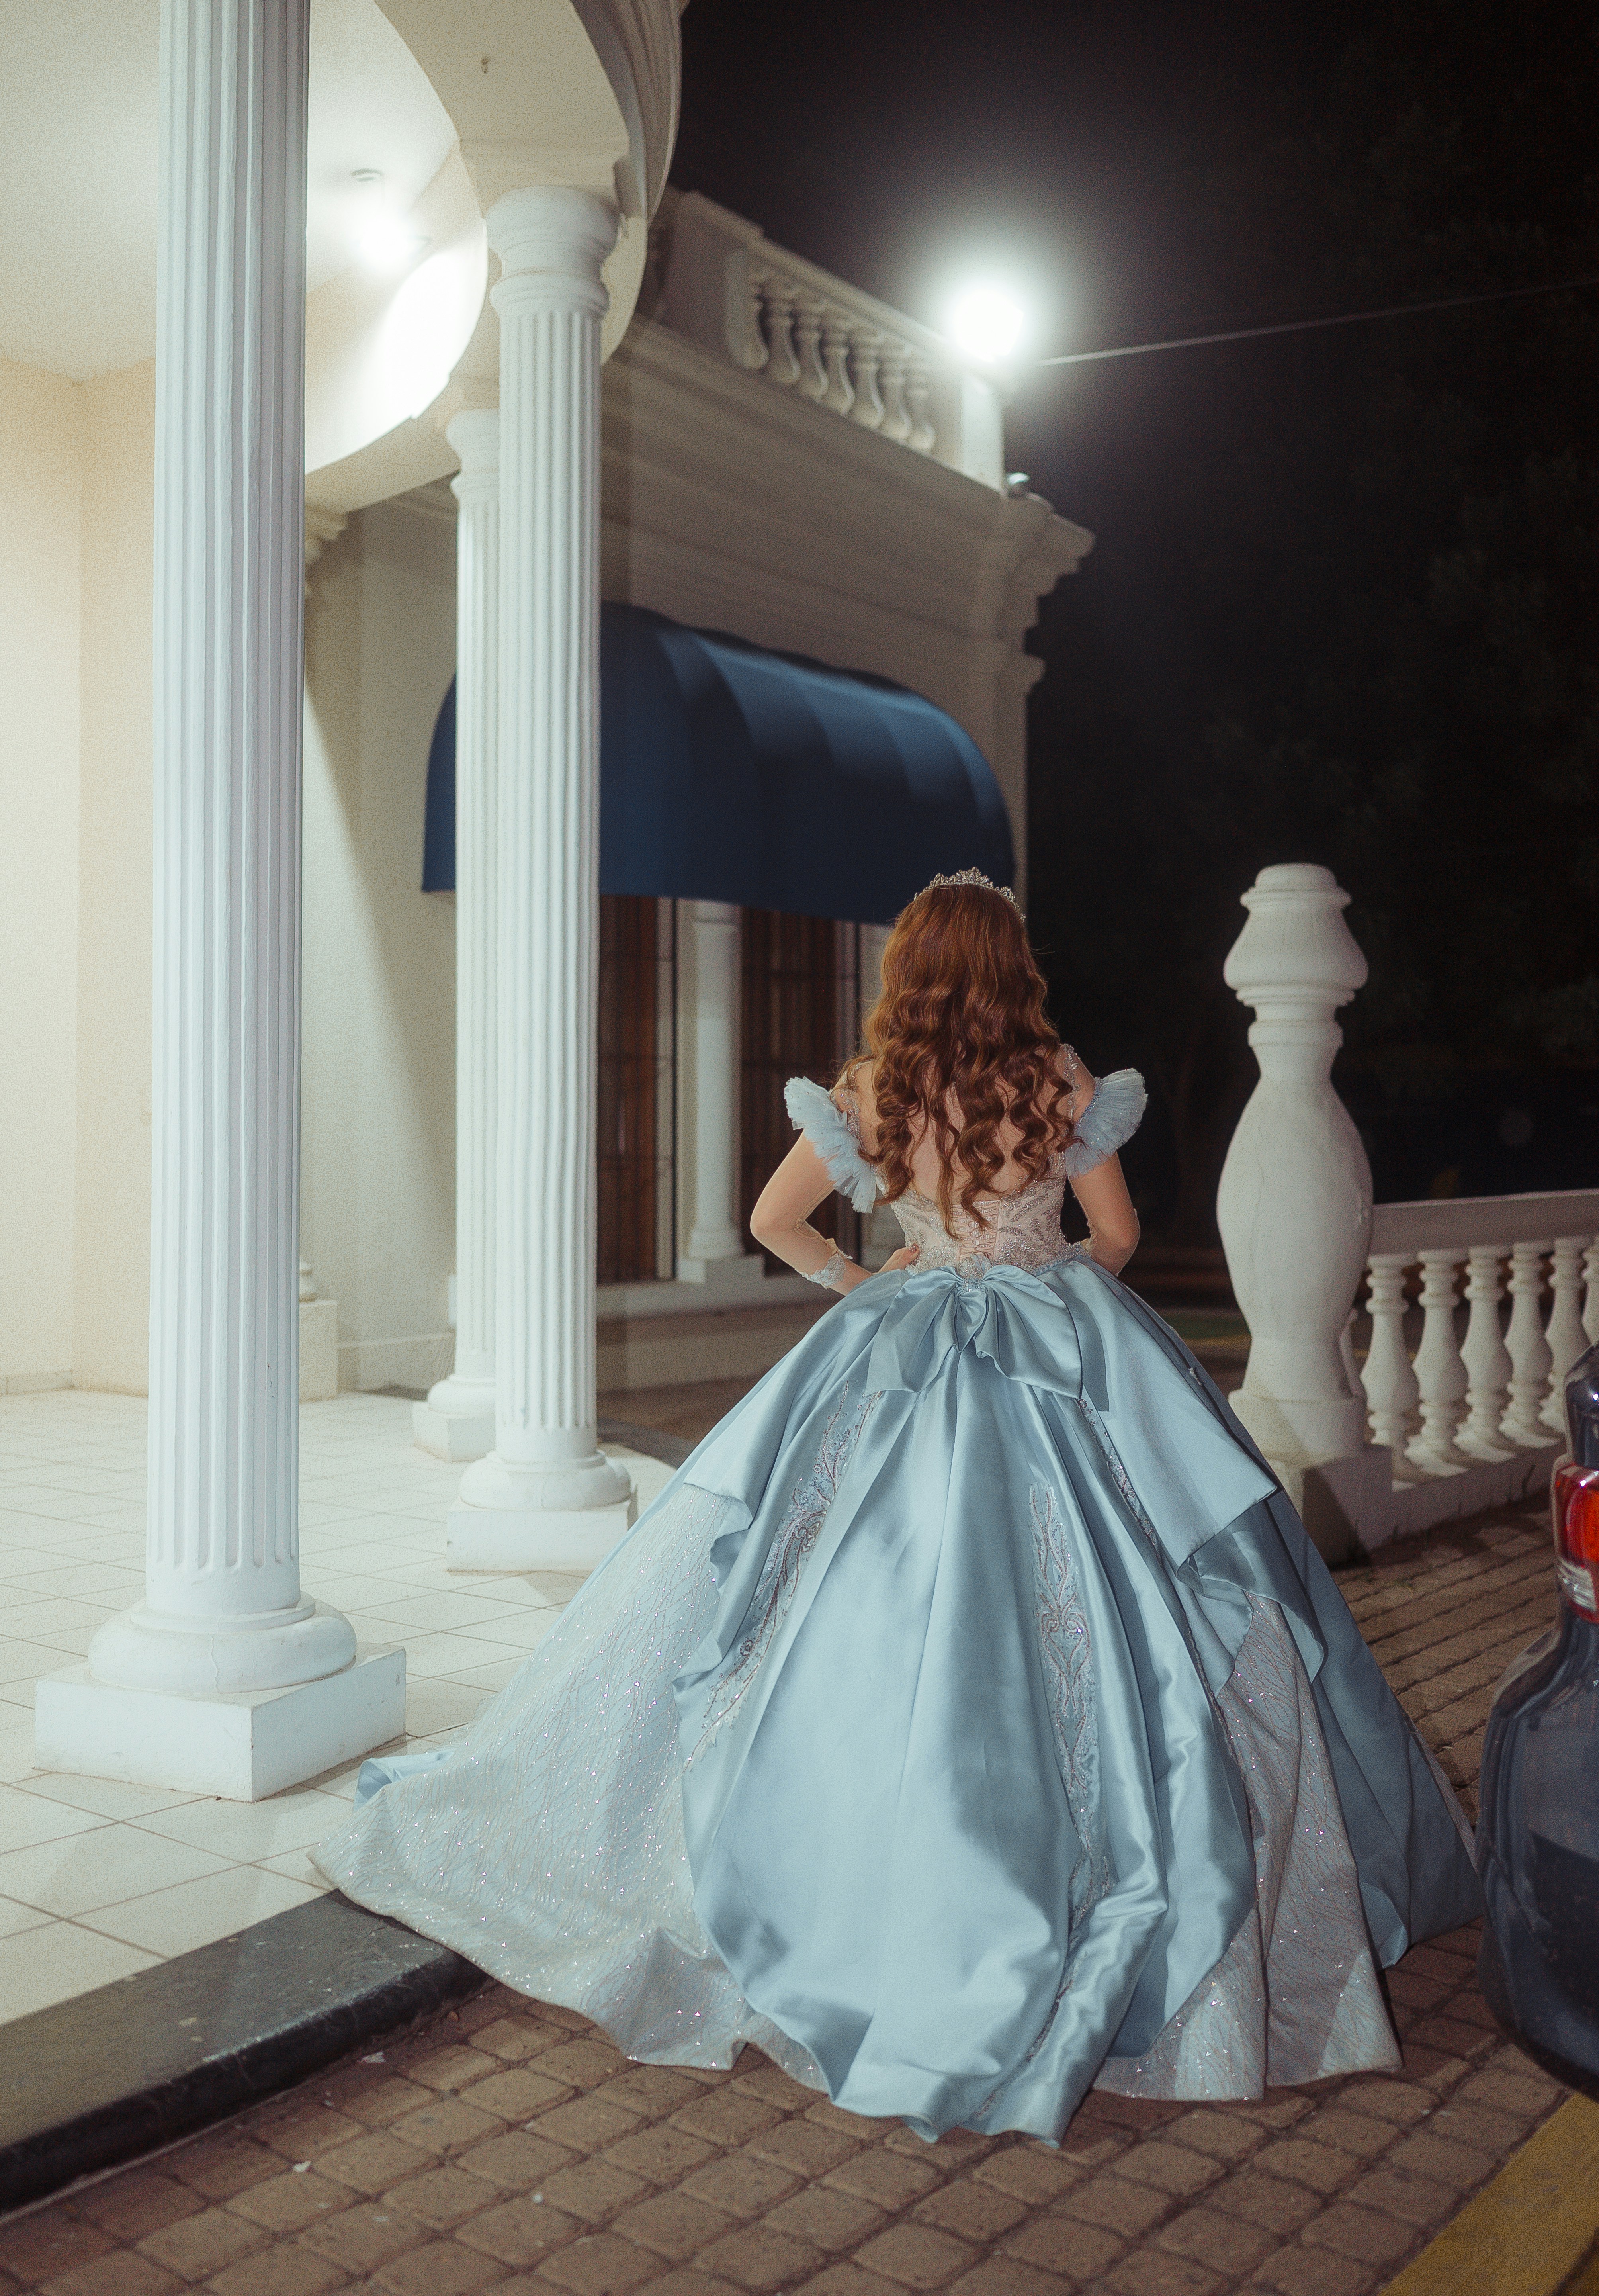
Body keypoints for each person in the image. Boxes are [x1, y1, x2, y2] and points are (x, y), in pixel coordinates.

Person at [314, 869, 1478, 2142]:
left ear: (913, 969)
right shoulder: (1061, 1086)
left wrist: (870, 1279)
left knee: (836, 1592)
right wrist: (1049, 1277)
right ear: (1011, 966)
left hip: (906, 1337)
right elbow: (1124, 1237)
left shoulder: (874, 1090)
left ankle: (860, 1876)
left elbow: (775, 1220)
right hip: (1053, 1343)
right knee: (1143, 1594)